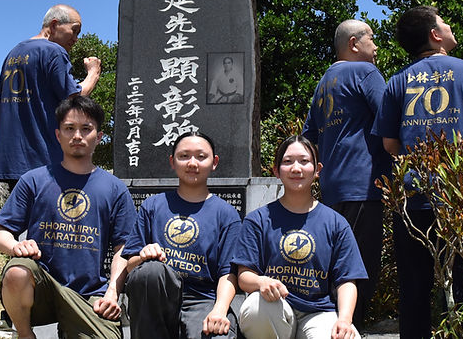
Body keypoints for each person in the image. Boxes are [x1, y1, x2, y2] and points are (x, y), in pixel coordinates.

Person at [372, 5, 463, 339]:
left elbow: (390, 144)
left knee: (414, 287)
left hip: (412, 200)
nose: (450, 27)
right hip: (462, 197)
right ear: (435, 35)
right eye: (444, 22)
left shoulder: (397, 82)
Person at [0, 96, 136, 339]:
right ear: (58, 135)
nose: (77, 135)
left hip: (89, 293)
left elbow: (124, 247)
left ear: (99, 137)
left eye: (86, 129)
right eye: (69, 129)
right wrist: (16, 246)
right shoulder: (34, 180)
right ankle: (25, 334)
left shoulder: (115, 189)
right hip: (41, 287)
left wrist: (113, 291)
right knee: (17, 271)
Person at [301, 19, 389, 329]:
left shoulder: (324, 81)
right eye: (371, 39)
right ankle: (352, 328)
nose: (376, 47)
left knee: (335, 261)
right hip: (363, 183)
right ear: (354, 43)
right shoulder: (365, 72)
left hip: (330, 188)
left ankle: (330, 324)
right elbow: (390, 117)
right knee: (363, 264)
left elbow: (308, 136)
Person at [233, 135, 365, 339]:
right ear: (276, 171)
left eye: (304, 161)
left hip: (318, 312)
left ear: (317, 170)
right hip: (275, 306)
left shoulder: (336, 223)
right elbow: (244, 275)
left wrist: (345, 320)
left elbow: (347, 279)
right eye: (287, 162)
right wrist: (261, 282)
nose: (296, 168)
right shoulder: (258, 220)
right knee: (256, 308)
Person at [123, 132, 242, 339]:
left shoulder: (226, 214)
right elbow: (131, 265)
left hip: (202, 299)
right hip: (157, 299)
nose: (192, 163)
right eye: (184, 156)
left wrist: (220, 310)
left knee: (219, 334)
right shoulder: (153, 206)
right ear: (172, 161)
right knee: (150, 271)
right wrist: (143, 256)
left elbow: (228, 272)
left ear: (214, 163)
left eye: (201, 156)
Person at [0, 4, 101, 190]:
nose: (75, 39)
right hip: (45, 162)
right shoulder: (53, 52)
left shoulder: (13, 54)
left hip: (13, 166)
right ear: (55, 24)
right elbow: (74, 97)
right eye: (74, 31)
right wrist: (93, 73)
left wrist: (7, 151)